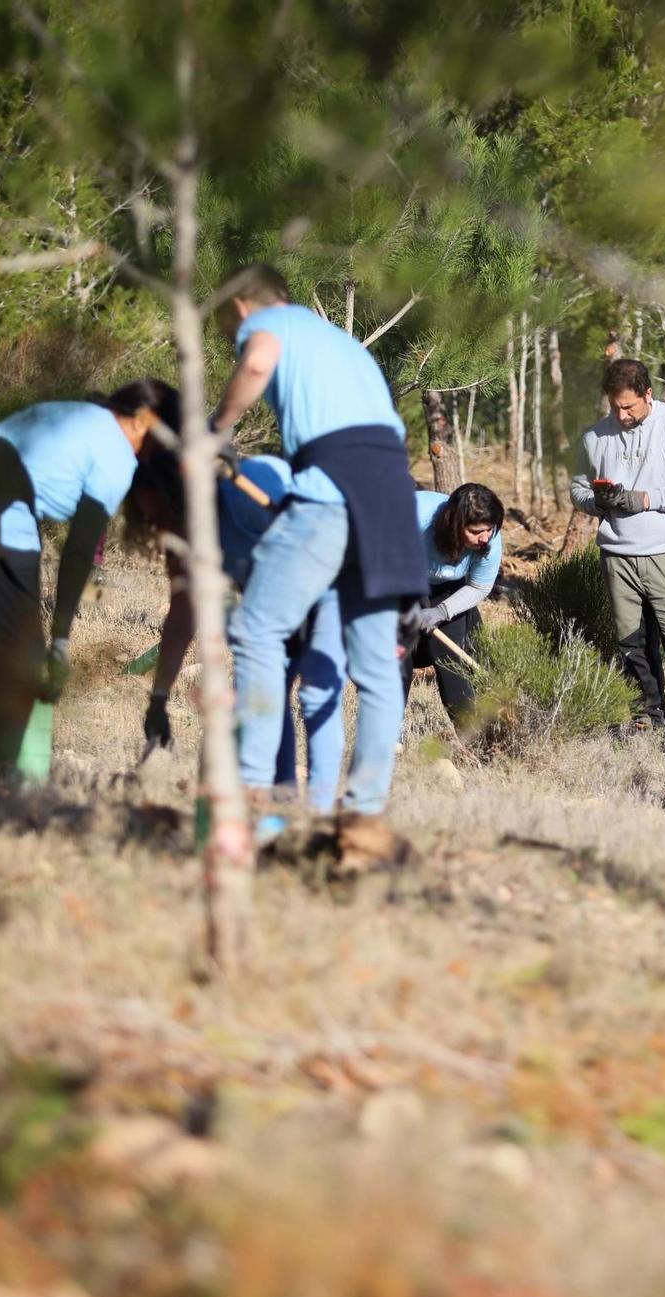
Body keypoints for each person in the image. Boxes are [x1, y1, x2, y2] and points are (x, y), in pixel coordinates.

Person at [211, 262, 427, 870]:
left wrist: (215, 429)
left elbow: (256, 365)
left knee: (256, 628)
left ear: (244, 308)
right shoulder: (342, 343)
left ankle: (252, 798)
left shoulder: (270, 324)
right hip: (390, 491)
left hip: (332, 483)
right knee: (377, 666)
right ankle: (363, 819)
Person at [0, 380, 177, 768]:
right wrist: (61, 638)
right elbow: (80, 549)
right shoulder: (117, 453)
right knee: (22, 672)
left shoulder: (69, 410)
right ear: (142, 422)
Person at [122, 448, 346, 814]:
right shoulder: (185, 540)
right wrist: (159, 698)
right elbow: (181, 620)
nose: (161, 523)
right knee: (266, 690)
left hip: (331, 582)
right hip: (275, 608)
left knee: (314, 690)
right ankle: (280, 801)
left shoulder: (253, 481)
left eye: (162, 511)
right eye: (152, 518)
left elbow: (323, 526)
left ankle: (318, 811)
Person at [568, 358, 665, 741]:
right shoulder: (593, 437)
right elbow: (577, 487)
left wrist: (645, 499)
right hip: (617, 555)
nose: (621, 415)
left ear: (648, 395)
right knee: (630, 642)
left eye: (629, 407)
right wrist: (598, 503)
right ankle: (647, 716)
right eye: (615, 406)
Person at [403, 482, 504, 726]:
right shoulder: (413, 515)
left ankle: (468, 733)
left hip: (449, 590)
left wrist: (441, 611)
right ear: (455, 525)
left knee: (450, 656)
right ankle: (389, 735)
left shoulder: (489, 537)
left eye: (489, 529)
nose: (485, 537)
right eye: (476, 531)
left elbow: (479, 586)